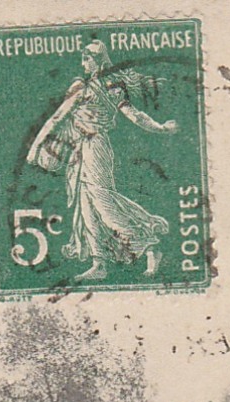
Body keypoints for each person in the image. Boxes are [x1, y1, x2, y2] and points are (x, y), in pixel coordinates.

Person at [26, 40, 178, 282]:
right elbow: (60, 117)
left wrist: (160, 128)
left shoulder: (106, 88)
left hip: (96, 147)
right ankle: (100, 263)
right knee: (87, 208)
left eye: (86, 59)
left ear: (97, 61)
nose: (83, 63)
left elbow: (134, 115)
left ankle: (148, 246)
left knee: (103, 203)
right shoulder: (89, 87)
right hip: (80, 148)